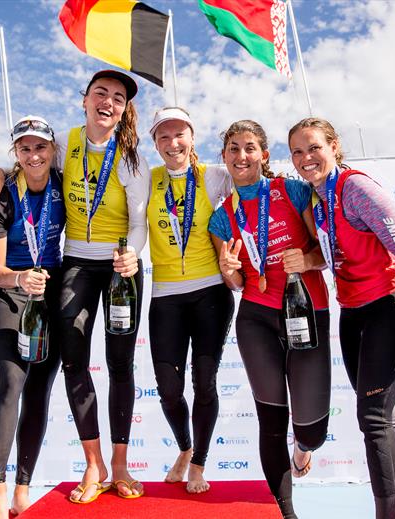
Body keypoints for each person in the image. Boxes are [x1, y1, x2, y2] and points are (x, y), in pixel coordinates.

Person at [0, 70, 150, 503]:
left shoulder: (131, 158)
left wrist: (131, 254)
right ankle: (93, 465)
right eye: (100, 93)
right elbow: (31, 164)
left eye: (117, 97)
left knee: (120, 366)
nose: (107, 102)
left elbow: (138, 221)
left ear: (124, 109)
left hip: (120, 268)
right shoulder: (67, 144)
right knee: (73, 363)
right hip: (75, 265)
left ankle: (121, 464)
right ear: (85, 100)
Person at [288, 117, 395, 519]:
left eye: (313, 147)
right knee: (387, 418)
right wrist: (308, 260)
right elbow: (333, 257)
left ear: (333, 146)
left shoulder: (357, 188)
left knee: (373, 418)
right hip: (352, 314)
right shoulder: (318, 199)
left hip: (387, 308)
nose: (305, 158)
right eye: (297, 151)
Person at [208, 120, 331, 519]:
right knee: (271, 419)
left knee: (311, 427)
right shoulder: (222, 216)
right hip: (257, 317)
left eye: (249, 148)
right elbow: (238, 281)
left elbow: (326, 250)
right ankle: (285, 511)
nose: (240, 156)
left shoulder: (291, 191)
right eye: (232, 149)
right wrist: (228, 269)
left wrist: (308, 259)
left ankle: (304, 447)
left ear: (263, 155)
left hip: (306, 310)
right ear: (224, 156)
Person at [0, 116, 65, 518]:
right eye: (25, 148)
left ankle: (23, 486)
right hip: (9, 296)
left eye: (40, 147)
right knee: (11, 379)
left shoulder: (63, 185)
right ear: (15, 152)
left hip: (49, 295)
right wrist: (18, 278)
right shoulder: (0, 197)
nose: (34, 155)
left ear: (52, 150)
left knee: (39, 391)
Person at [146, 107, 235, 493]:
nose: (172, 143)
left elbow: (256, 183)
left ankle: (198, 463)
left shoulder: (215, 177)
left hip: (210, 293)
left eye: (179, 134)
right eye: (163, 137)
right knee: (168, 387)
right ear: (155, 144)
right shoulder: (145, 180)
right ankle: (184, 448)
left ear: (192, 137)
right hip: (165, 296)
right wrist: (1, 172)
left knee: (205, 382)